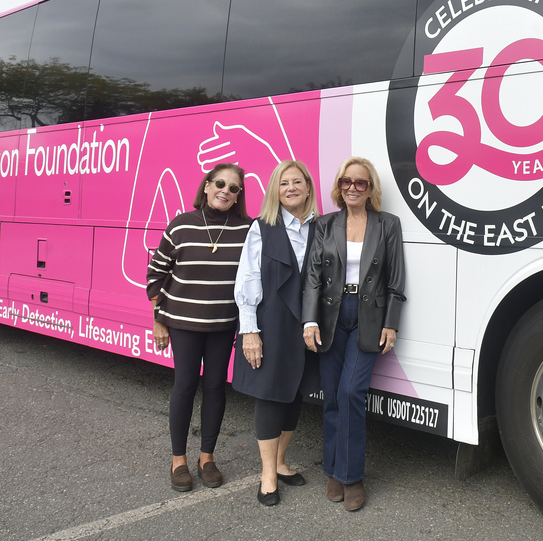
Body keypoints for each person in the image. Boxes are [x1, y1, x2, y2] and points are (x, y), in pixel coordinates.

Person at [301, 158, 405, 512]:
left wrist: (391, 323)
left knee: (350, 392)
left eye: (361, 183)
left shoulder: (388, 225)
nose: (353, 188)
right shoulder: (325, 225)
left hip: (368, 318)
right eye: (347, 181)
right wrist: (309, 321)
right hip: (330, 315)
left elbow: (395, 280)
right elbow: (313, 277)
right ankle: (333, 470)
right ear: (339, 186)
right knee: (332, 396)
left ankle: (352, 476)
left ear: (370, 188)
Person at [147, 163, 252, 492]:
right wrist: (158, 319)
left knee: (216, 389)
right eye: (220, 183)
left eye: (234, 188)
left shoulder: (248, 230)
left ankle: (207, 458)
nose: (226, 190)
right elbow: (155, 275)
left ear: (238, 197)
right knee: (185, 386)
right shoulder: (180, 226)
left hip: (223, 325)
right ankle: (178, 460)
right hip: (183, 324)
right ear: (207, 186)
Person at [233, 160, 319, 507]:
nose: (290, 188)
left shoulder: (321, 228)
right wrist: (250, 331)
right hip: (271, 322)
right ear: (275, 190)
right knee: (270, 396)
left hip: (306, 323)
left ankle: (282, 462)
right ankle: (268, 473)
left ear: (308, 188)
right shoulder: (262, 228)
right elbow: (248, 279)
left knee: (295, 392)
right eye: (283, 184)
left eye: (297, 182)